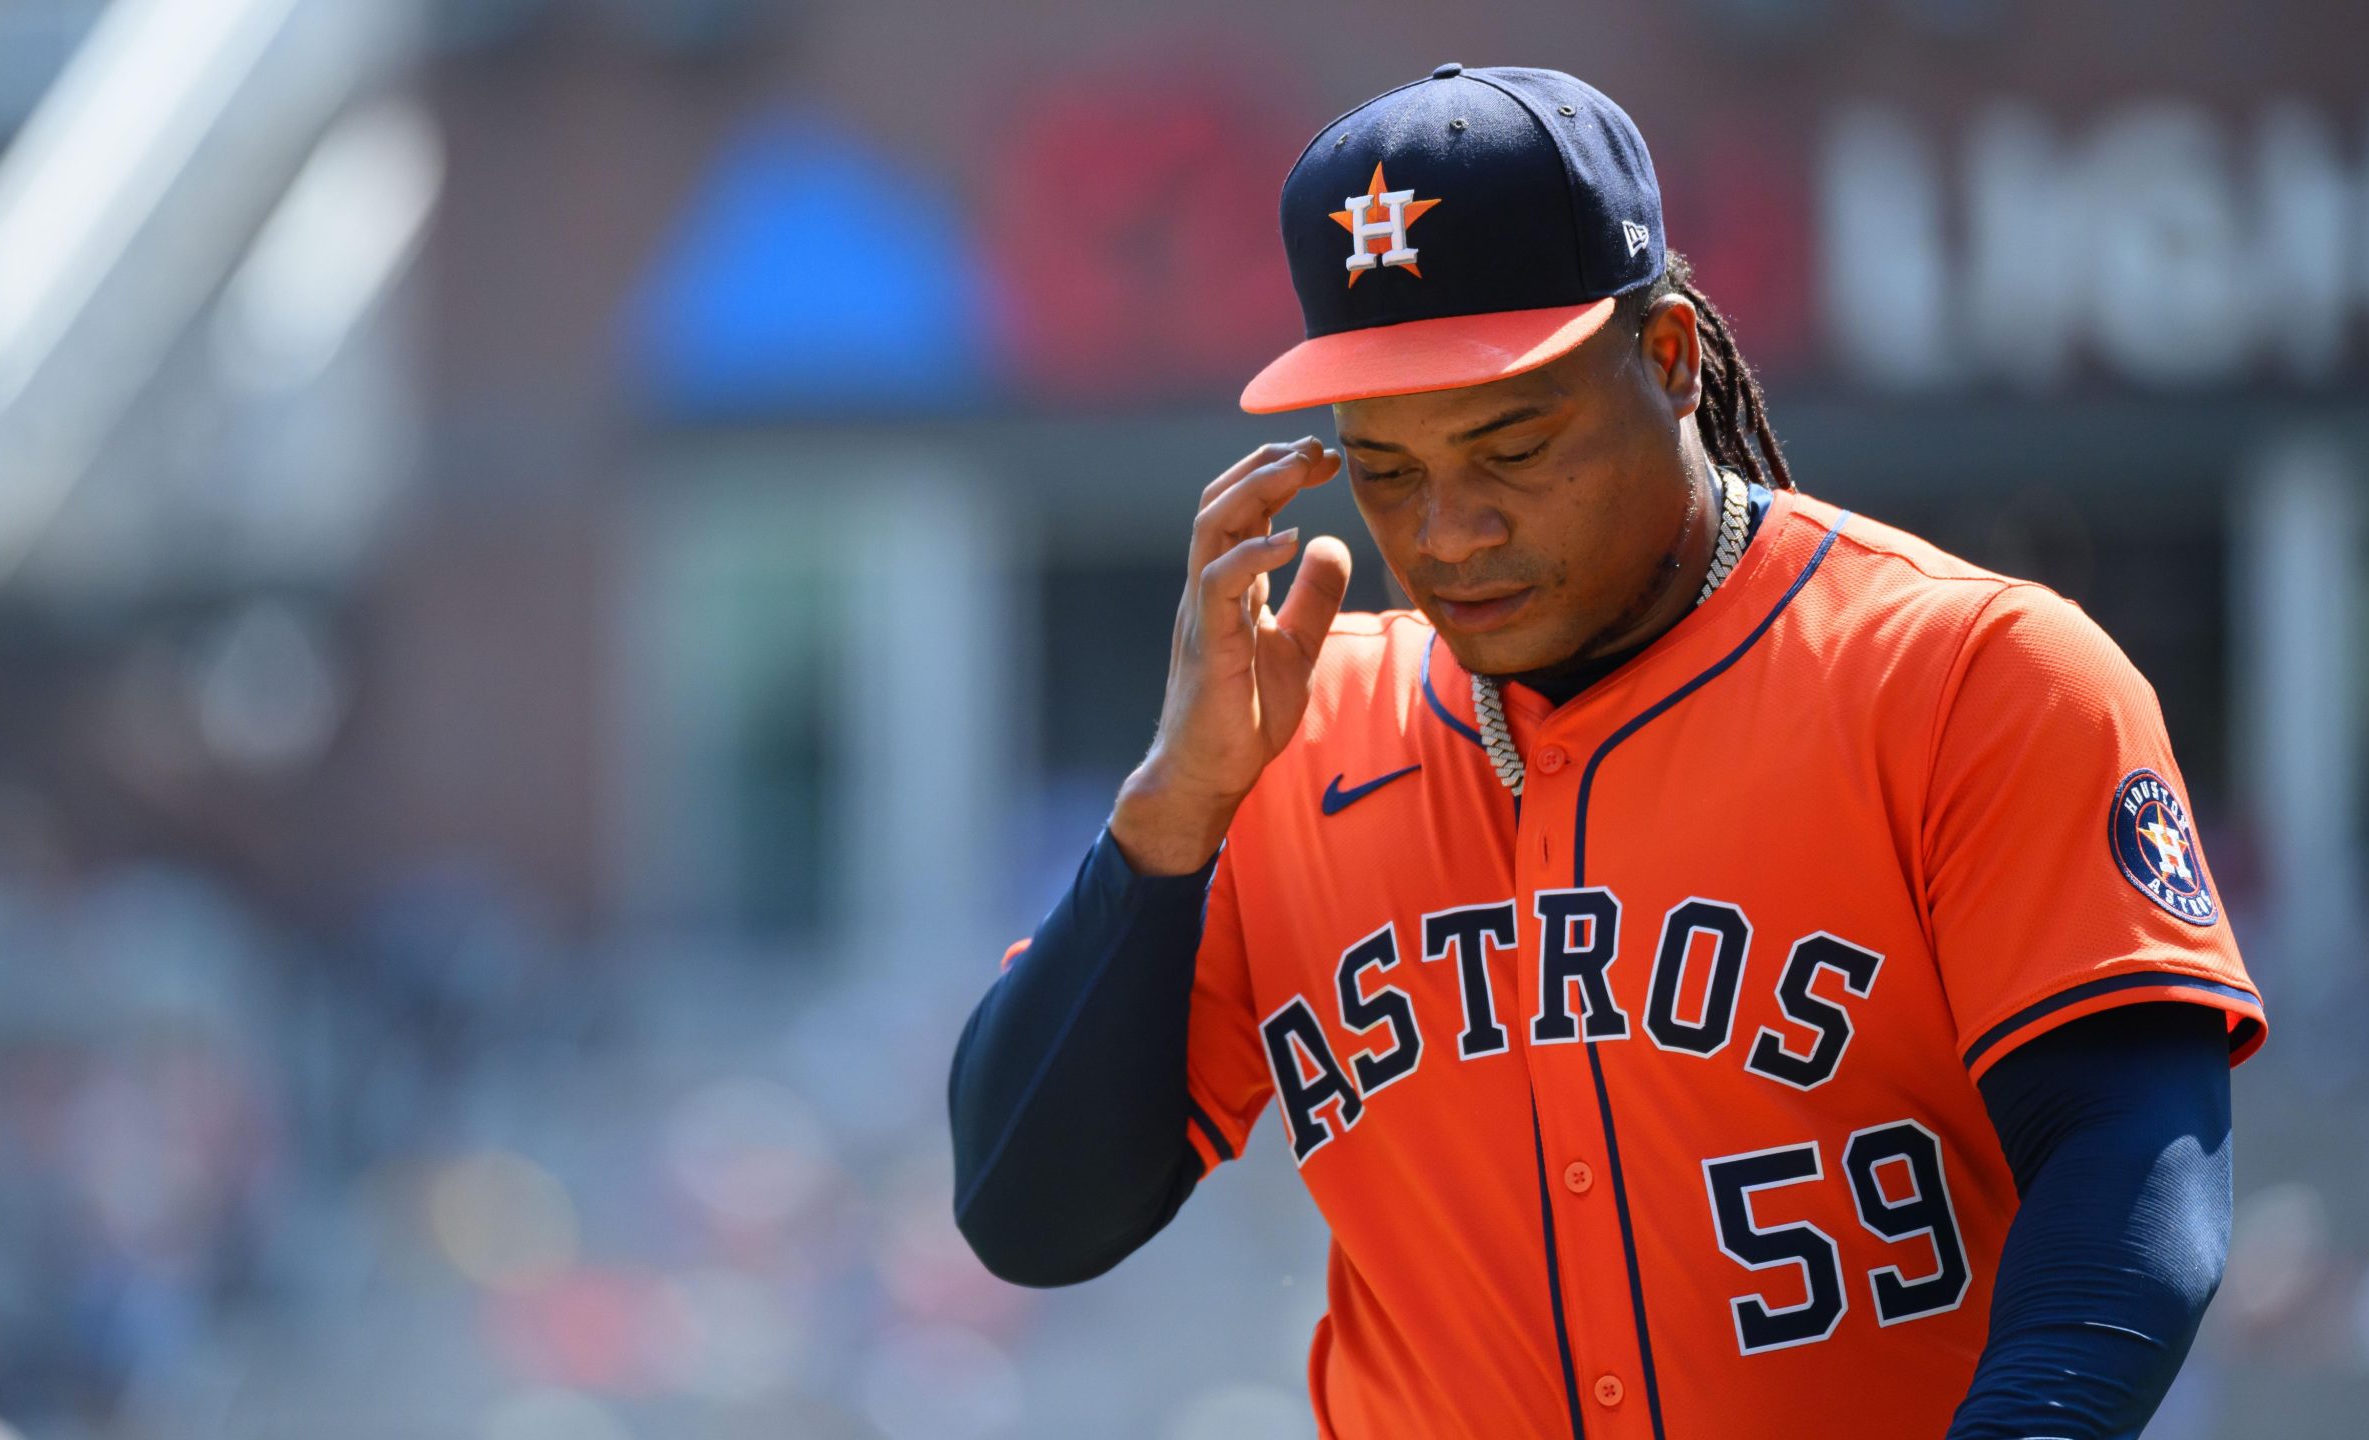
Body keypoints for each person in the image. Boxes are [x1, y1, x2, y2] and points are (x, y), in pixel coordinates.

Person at [949, 62, 2264, 1439]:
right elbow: (1030, 1216)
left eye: (1513, 445)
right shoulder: (1288, 734)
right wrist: (1173, 815)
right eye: (1386, 468)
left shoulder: (1963, 677)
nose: (1451, 530)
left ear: (1673, 361)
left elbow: (2135, 1176)